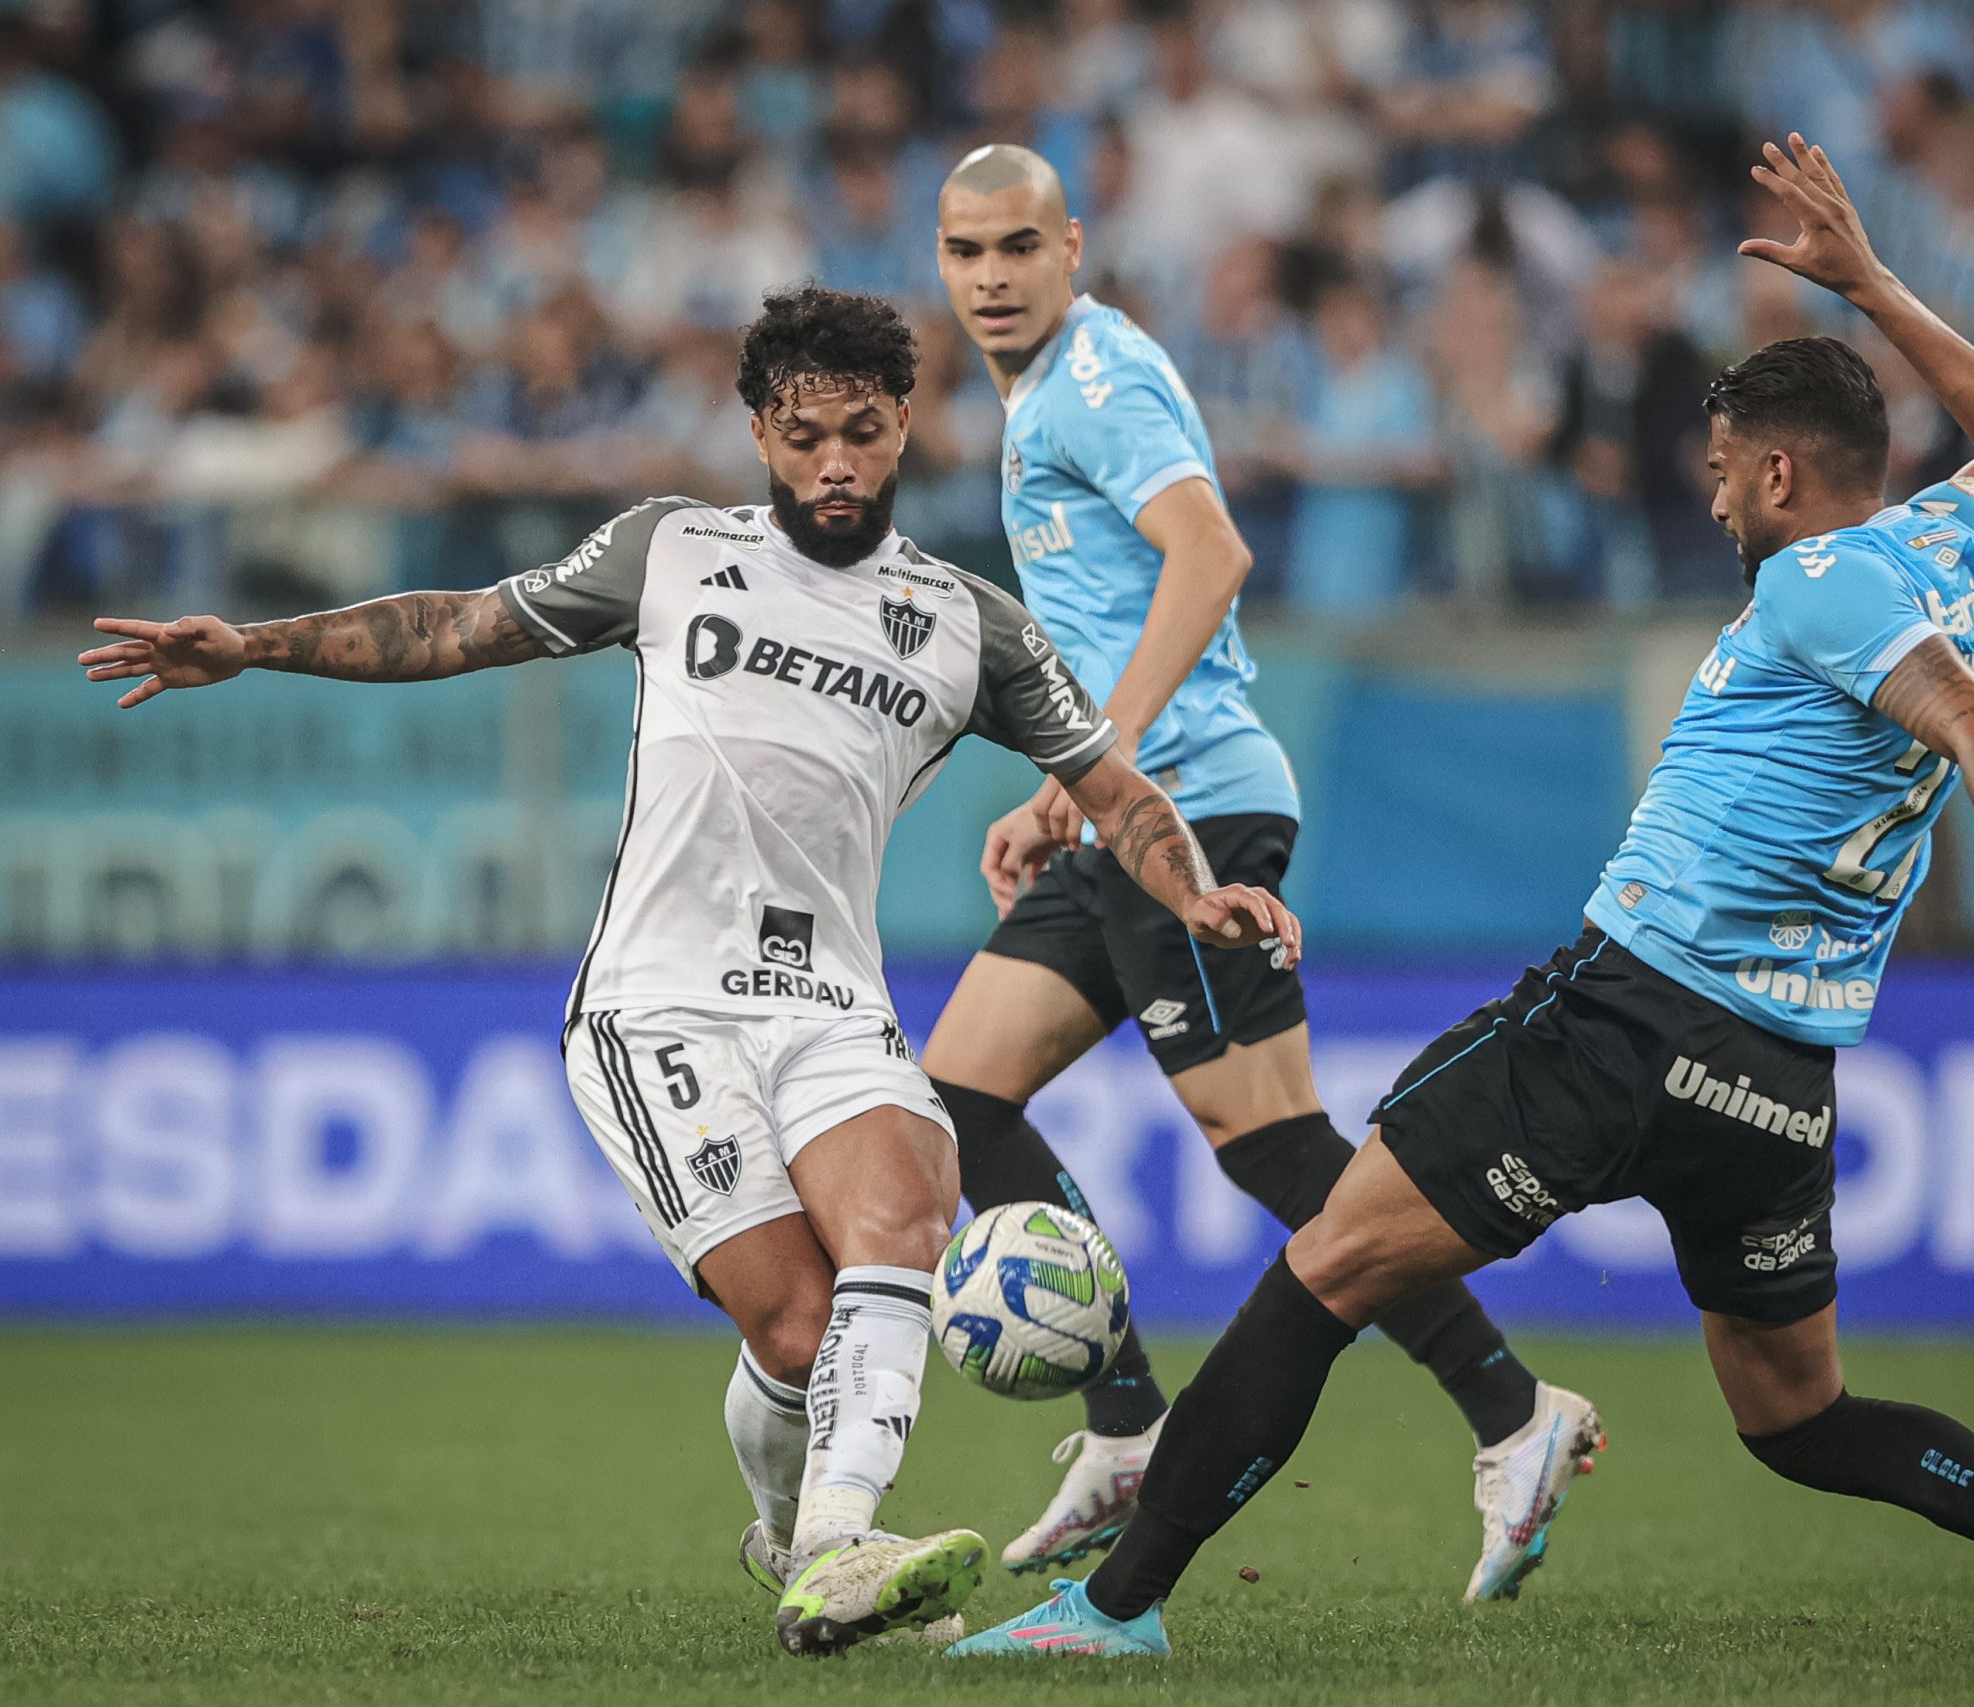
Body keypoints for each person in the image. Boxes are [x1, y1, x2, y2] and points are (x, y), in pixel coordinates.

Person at [952, 135, 1974, 1660]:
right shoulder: (1952, 543)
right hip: (1780, 1084)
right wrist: (1873, 285)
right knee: (1798, 1415)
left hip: (1626, 1026)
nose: (1716, 503)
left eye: (1725, 474)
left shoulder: (1821, 581)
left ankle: (1116, 1613)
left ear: (1782, 476)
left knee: (1324, 1264)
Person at [76, 285, 1301, 1660]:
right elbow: (462, 623)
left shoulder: (973, 625)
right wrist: (257, 646)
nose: (833, 462)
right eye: (801, 435)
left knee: (908, 1203)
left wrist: (1197, 891)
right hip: (656, 1000)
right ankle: (795, 1530)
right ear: (758, 434)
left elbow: (1113, 787)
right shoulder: (668, 551)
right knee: (792, 1328)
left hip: (833, 999)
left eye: (861, 431)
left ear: (907, 427)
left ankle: (838, 1541)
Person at [929, 142, 1596, 1602]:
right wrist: (1069, 787)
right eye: (966, 251)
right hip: (1120, 810)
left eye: (1017, 249)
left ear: (1072, 248)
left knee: (1276, 1143)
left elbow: (1210, 555)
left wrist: (1092, 759)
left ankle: (1514, 1412)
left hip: (1198, 809)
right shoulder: (1045, 393)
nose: (990, 276)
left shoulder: (1098, 385)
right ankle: (1122, 1424)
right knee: (963, 1089)